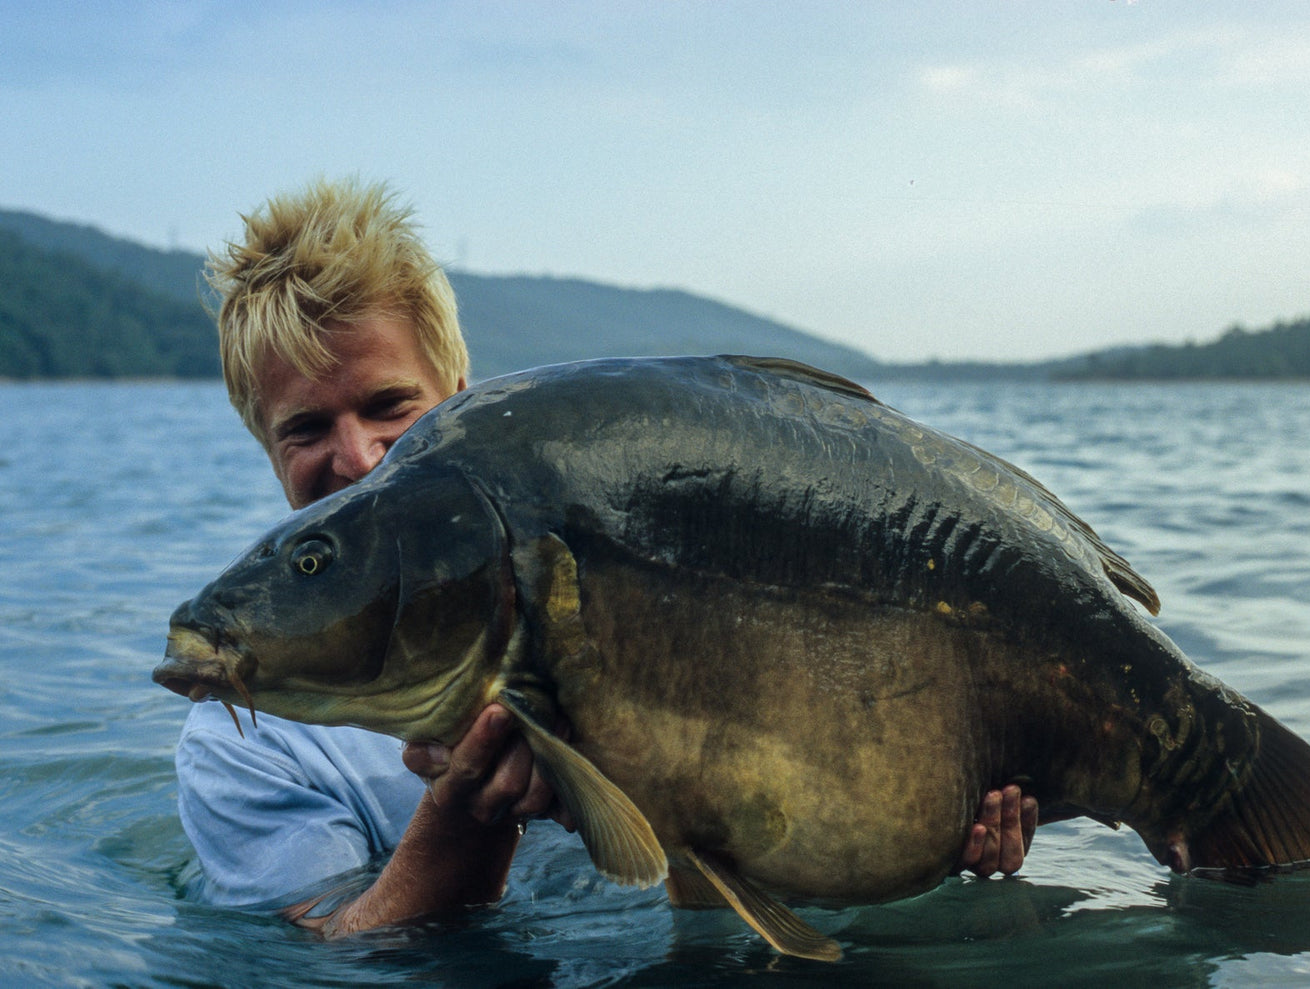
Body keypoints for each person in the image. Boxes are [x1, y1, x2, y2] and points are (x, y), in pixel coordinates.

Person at [175, 177, 1038, 937]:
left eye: (389, 404)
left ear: (459, 402)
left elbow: (747, 855)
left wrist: (923, 830)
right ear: (265, 443)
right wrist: (469, 817)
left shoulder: (627, 587)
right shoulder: (239, 747)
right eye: (307, 428)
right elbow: (331, 958)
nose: (358, 455)